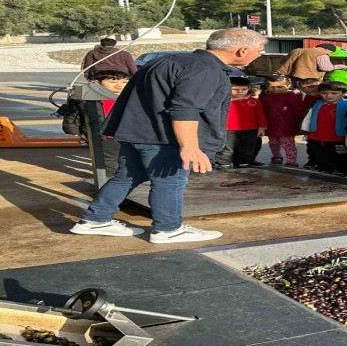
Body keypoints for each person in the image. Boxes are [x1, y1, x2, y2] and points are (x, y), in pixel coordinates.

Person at [69, 28, 268, 243]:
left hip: (137, 132)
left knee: (127, 177)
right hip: (164, 138)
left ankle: (96, 219)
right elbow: (185, 109)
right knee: (170, 182)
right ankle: (168, 229)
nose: (260, 54)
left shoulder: (168, 60)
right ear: (242, 50)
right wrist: (190, 146)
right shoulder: (205, 70)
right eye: (260, 50)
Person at [61, 70, 131, 177]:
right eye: (112, 82)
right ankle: (108, 183)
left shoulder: (131, 96)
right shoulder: (86, 98)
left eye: (124, 82)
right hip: (105, 136)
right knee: (109, 163)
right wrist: (73, 130)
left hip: (128, 135)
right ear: (98, 82)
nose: (119, 85)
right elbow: (73, 115)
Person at [300, 81, 347, 175]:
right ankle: (325, 169)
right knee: (321, 155)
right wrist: (306, 131)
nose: (328, 96)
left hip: (339, 137)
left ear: (345, 93)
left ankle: (343, 171)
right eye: (324, 93)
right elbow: (308, 117)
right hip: (317, 137)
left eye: (334, 93)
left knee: (341, 156)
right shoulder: (316, 104)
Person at [216, 76, 267, 169]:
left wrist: (262, 127)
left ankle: (243, 163)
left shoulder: (253, 101)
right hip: (228, 129)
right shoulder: (223, 101)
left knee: (247, 148)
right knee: (226, 148)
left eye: (243, 89)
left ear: (248, 88)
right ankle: (224, 163)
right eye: (235, 89)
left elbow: (260, 115)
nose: (240, 92)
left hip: (250, 129)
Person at [259, 76, 303, 166]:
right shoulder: (265, 96)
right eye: (272, 87)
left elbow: (298, 110)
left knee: (288, 144)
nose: (275, 89)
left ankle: (291, 161)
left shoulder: (292, 96)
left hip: (287, 124)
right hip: (271, 124)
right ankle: (276, 156)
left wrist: (300, 123)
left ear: (288, 85)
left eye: (279, 87)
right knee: (273, 142)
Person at [274, 43, 347, 80]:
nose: (330, 53)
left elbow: (283, 62)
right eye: (330, 52)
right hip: (307, 79)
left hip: (287, 77)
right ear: (326, 49)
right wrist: (340, 66)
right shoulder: (322, 54)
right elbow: (325, 68)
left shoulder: (296, 50)